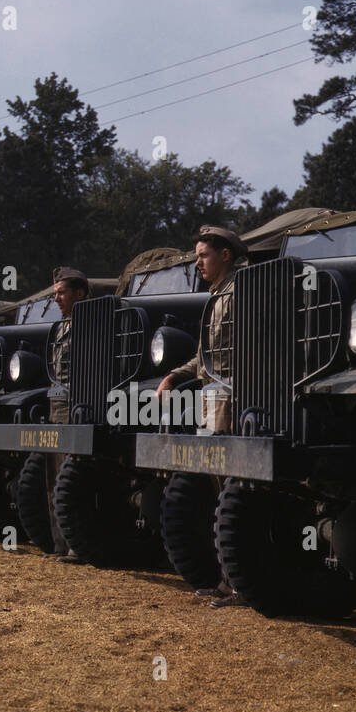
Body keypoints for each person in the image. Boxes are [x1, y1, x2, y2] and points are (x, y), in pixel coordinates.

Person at [156, 225, 247, 606]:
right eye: (196, 256)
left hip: (232, 399)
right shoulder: (214, 298)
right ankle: (229, 582)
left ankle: (241, 584)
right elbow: (202, 358)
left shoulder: (242, 292)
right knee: (218, 493)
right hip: (211, 401)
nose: (198, 263)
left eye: (203, 256)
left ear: (225, 255)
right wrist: (174, 375)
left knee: (233, 494)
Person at [45, 268, 90, 561]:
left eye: (62, 293)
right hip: (57, 404)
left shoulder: (89, 324)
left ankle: (77, 545)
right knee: (53, 478)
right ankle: (60, 544)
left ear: (80, 294)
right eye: (55, 294)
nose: (57, 299)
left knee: (71, 479)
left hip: (76, 406)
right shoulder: (61, 326)